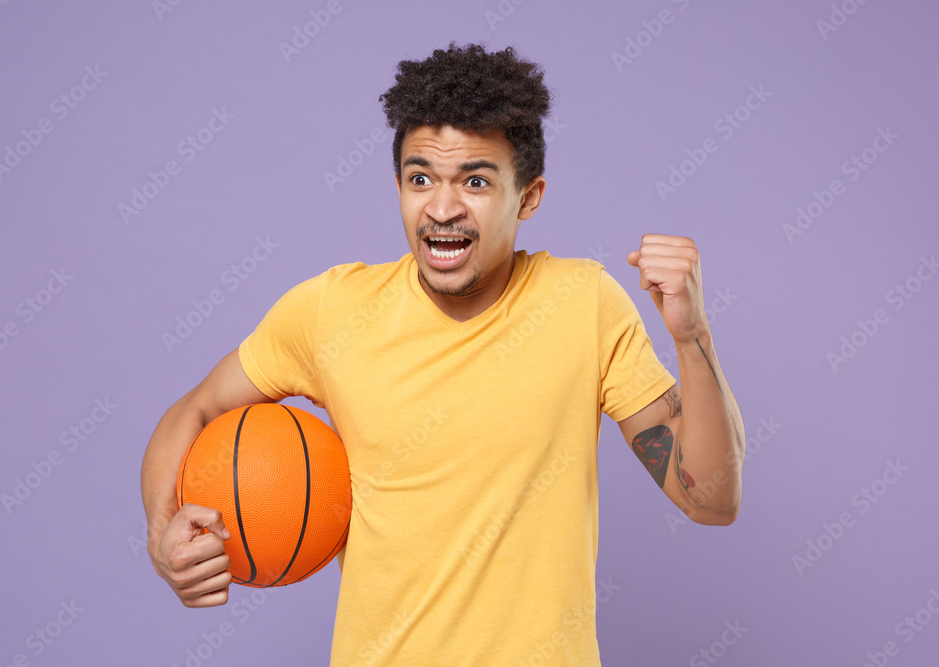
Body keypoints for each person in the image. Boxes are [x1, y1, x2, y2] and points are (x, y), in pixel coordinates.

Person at [140, 42, 745, 666]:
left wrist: (691, 337)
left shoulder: (584, 302)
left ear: (529, 197)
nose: (442, 207)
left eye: (475, 181)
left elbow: (710, 500)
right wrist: (163, 535)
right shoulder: (332, 312)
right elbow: (196, 411)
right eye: (420, 177)